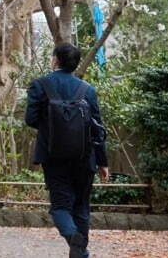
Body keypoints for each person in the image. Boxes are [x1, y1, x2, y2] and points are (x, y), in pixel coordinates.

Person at [25, 42, 109, 258]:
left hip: (53, 156)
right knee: (81, 206)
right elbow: (97, 129)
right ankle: (80, 251)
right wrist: (103, 162)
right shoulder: (87, 90)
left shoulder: (40, 85)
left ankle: (73, 238)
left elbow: (31, 119)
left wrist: (53, 128)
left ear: (55, 60)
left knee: (60, 207)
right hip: (85, 157)